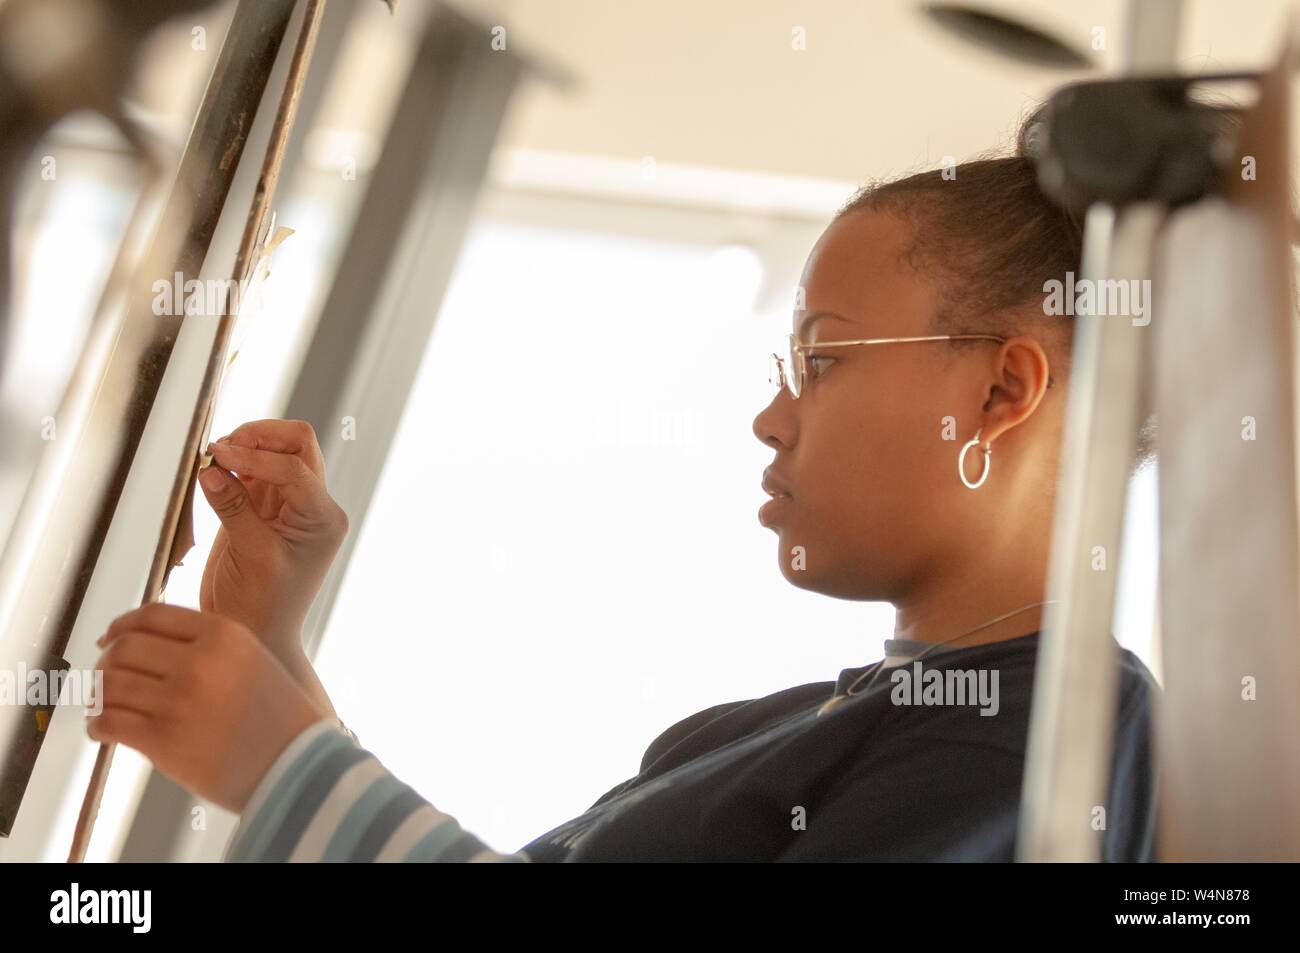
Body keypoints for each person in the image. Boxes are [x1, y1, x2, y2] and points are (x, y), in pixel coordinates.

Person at [88, 111, 1160, 862]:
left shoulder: (1054, 733)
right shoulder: (784, 728)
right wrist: (271, 635)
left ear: (1000, 389)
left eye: (822, 360)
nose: (772, 416)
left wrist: (285, 766)